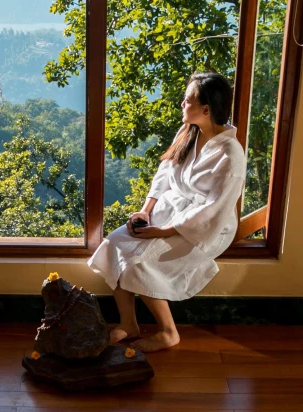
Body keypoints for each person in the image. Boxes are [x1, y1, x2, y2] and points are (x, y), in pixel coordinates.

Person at [88, 72, 245, 352]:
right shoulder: (189, 133)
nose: (181, 105)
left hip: (206, 226)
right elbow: (164, 174)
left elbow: (215, 208)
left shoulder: (230, 154)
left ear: (206, 109)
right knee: (114, 243)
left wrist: (164, 231)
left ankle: (168, 332)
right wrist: (146, 211)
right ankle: (128, 324)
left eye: (187, 100)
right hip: (169, 211)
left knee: (140, 261)